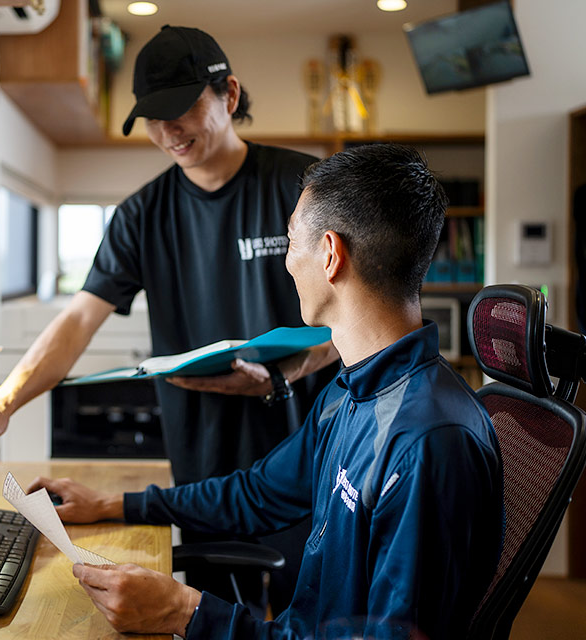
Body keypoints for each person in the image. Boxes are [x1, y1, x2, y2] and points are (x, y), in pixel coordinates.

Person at [27, 143, 504, 639]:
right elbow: (255, 494)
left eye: (292, 240)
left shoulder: (428, 443)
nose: (285, 261)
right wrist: (114, 504)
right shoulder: (349, 393)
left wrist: (188, 614)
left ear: (329, 255)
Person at [0, 25, 339, 609]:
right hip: (203, 454)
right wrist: (5, 400)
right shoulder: (141, 216)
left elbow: (359, 312)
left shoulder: (304, 187)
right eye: (151, 119)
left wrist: (287, 373)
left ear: (228, 94)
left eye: (180, 111)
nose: (166, 132)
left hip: (312, 444)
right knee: (216, 612)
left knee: (315, 613)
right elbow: (79, 320)